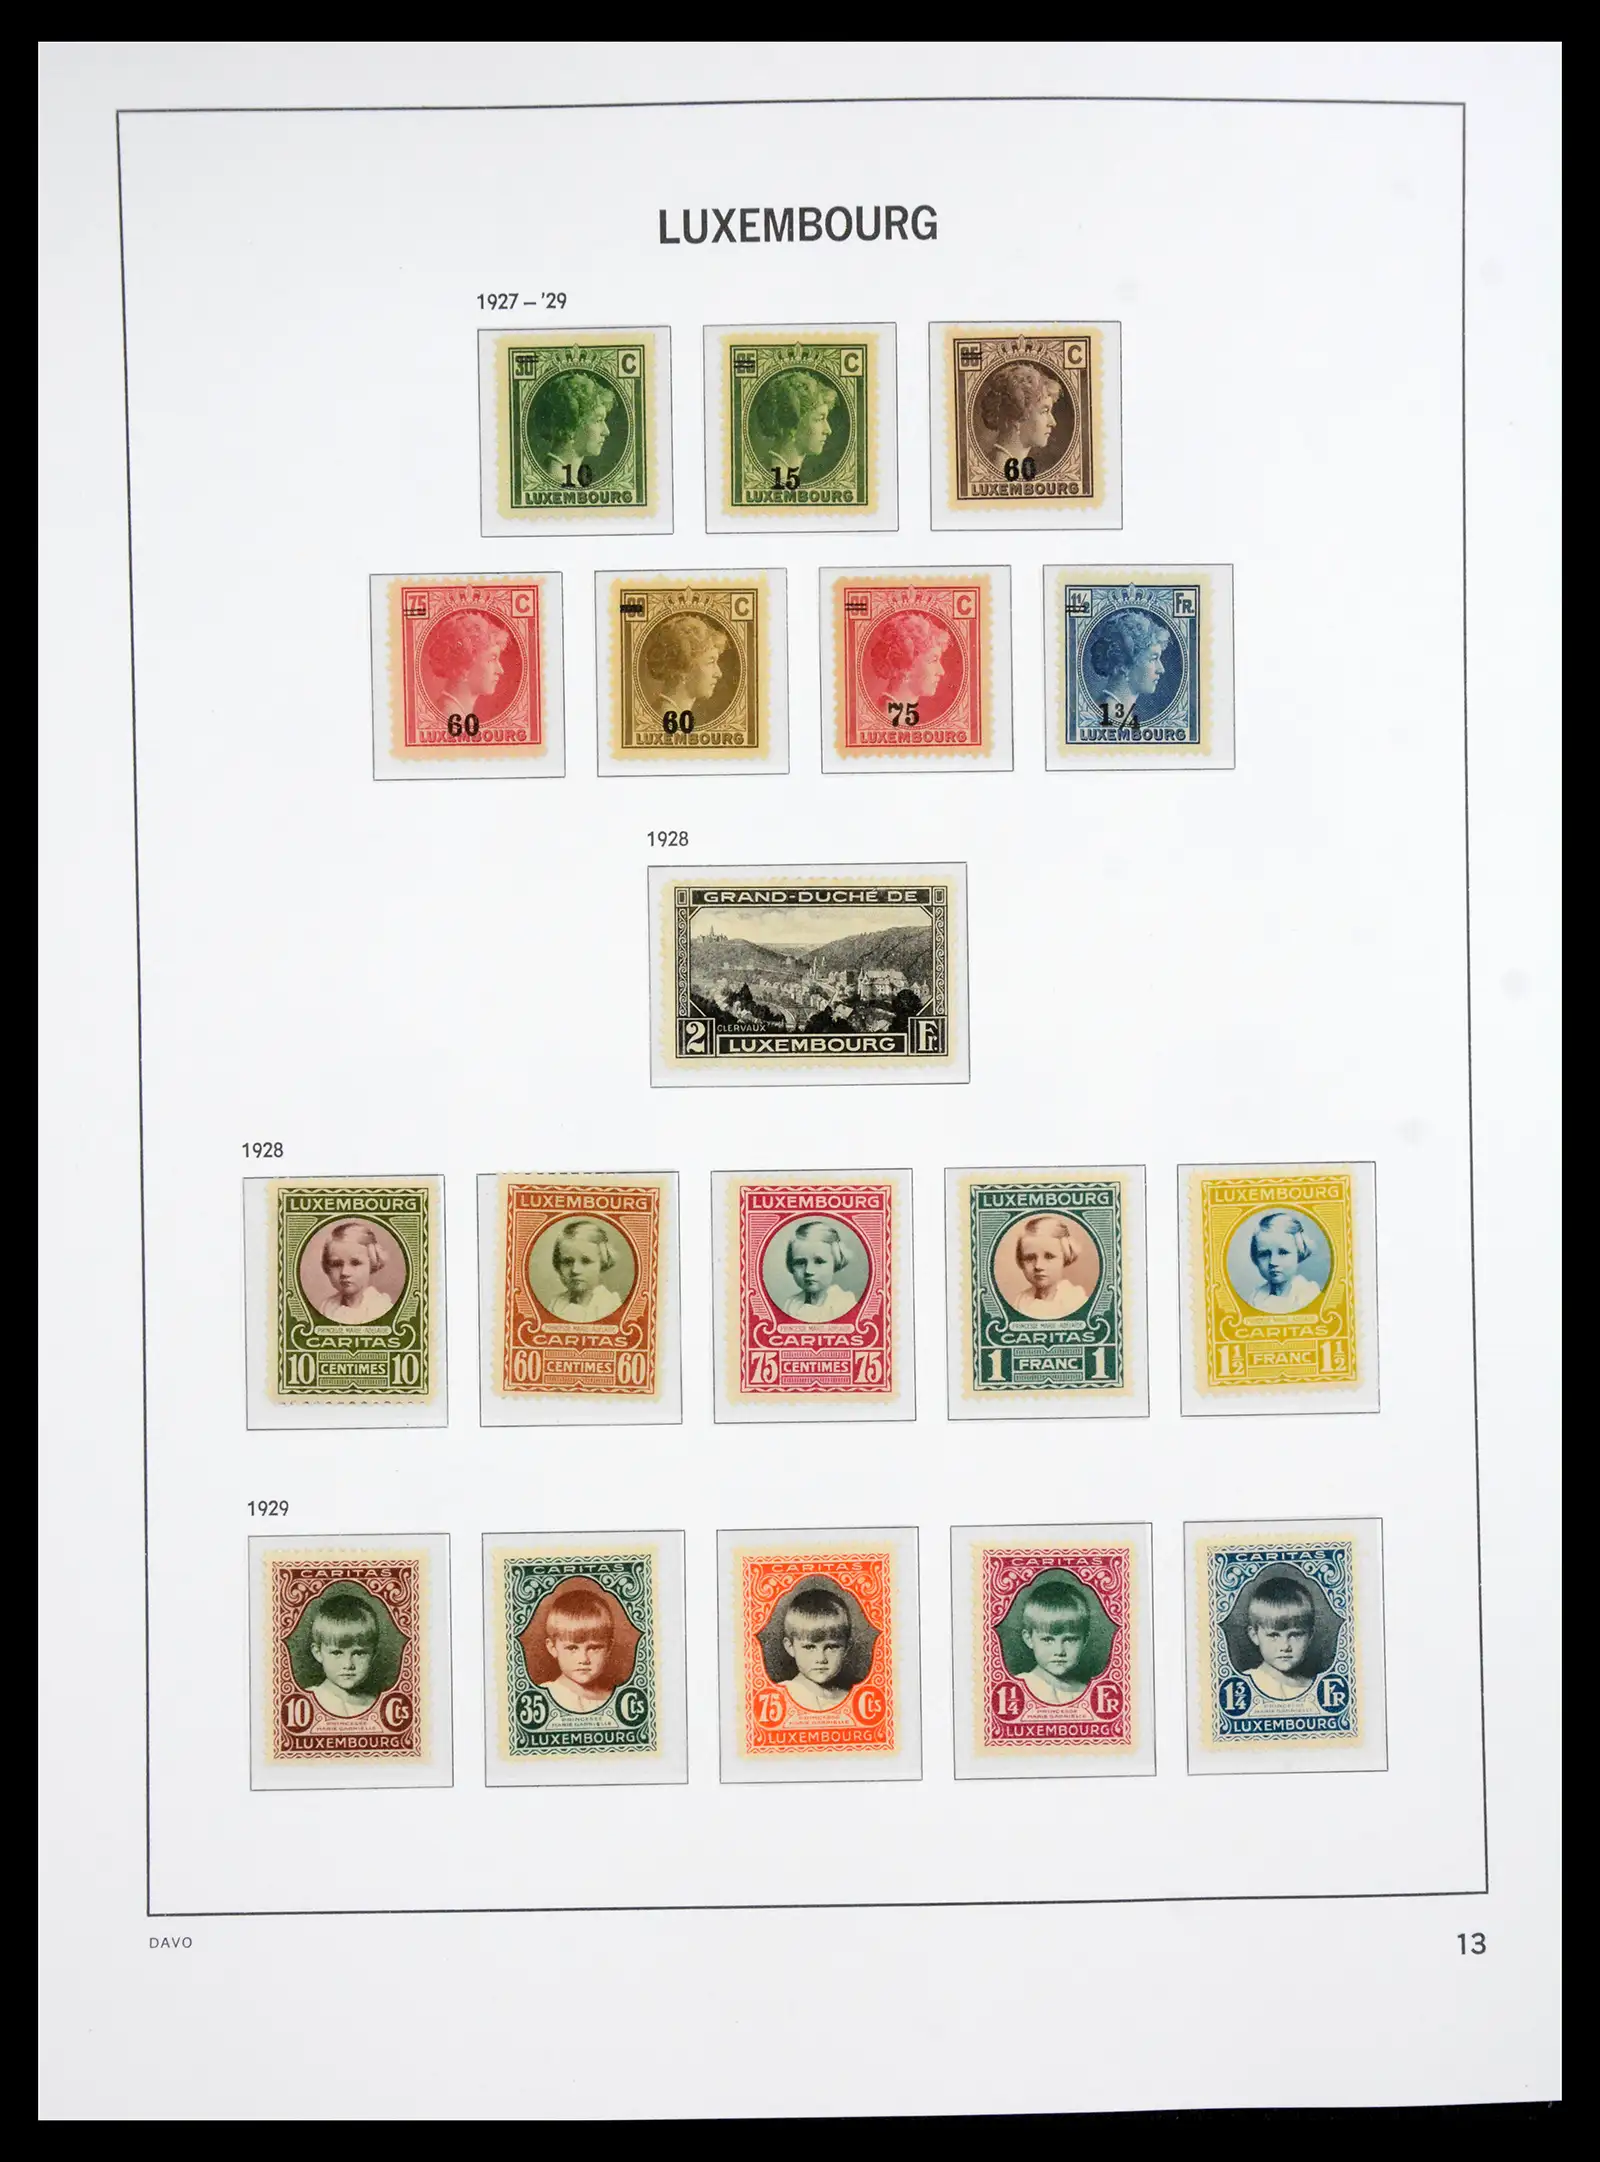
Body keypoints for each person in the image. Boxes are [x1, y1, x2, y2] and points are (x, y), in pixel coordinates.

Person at [540, 1583, 619, 1716]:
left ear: (609, 1647)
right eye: (572, 1648)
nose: (583, 1659)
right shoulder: (543, 1696)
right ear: (552, 1648)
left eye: (594, 1648)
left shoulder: (618, 1699)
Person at [527, 369, 616, 486]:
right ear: (571, 426)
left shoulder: (568, 478)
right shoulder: (558, 480)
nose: (606, 431)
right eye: (598, 420)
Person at [1014, 1577, 1095, 1705]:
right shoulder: (1016, 1688)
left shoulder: (1089, 1693)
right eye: (1048, 1640)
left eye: (1069, 1640)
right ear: (1029, 1639)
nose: (1059, 1651)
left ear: (1085, 1639)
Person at [1238, 1577, 1319, 1704]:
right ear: (1254, 1635)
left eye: (1295, 1635)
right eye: (1273, 1635)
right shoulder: (1243, 1686)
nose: (1285, 1647)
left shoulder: (1318, 1689)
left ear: (1310, 1636)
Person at [1085, 610, 1172, 725]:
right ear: (1124, 665)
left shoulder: (1114, 710)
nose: (1161, 669)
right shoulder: (1111, 716)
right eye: (1153, 659)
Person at [749, 368, 838, 478]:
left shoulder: (785, 473)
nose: (828, 430)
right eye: (819, 419)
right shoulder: (778, 477)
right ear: (793, 423)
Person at [421, 609, 510, 719]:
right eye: (492, 659)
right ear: (465, 666)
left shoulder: (458, 714)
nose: (500, 670)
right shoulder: (448, 715)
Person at [305, 1591, 381, 1717]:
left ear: (373, 1654)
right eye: (337, 1653)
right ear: (318, 1653)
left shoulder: (380, 1706)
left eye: (359, 1653)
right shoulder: (305, 1702)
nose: (348, 1665)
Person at [975, 360, 1063, 469]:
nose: (1053, 422)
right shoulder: (1001, 467)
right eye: (1044, 411)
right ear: (1018, 416)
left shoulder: (1014, 466)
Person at [778, 1586, 854, 1712]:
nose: (821, 1659)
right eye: (809, 1647)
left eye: (831, 1647)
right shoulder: (780, 1696)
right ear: (790, 1647)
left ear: (846, 1647)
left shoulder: (852, 1699)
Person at [641, 613, 728, 716]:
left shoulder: (676, 713)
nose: (719, 673)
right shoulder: (666, 716)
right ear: (683, 668)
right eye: (710, 662)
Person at [1009, 1214, 1090, 1320]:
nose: (1038, 1266)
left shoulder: (1074, 1300)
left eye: (1049, 1256)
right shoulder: (1021, 1301)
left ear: (1065, 1257)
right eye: (1030, 1258)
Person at [315, 1220, 395, 1325]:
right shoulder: (327, 1307)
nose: (344, 1272)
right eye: (336, 1264)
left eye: (355, 1263)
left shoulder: (380, 1307)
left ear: (372, 1263)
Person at [778, 1219, 859, 1322]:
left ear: (835, 1262)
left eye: (819, 1261)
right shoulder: (791, 1304)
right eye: (800, 1263)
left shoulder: (844, 1303)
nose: (808, 1271)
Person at [545, 1218, 623, 1323]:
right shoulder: (557, 1304)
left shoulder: (609, 1305)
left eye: (586, 1261)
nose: (575, 1270)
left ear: (602, 1262)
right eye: (567, 1262)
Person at [870, 610, 953, 708]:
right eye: (933, 660)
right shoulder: (888, 713)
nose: (941, 672)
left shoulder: (902, 712)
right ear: (905, 666)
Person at [1244, 1211, 1321, 1314]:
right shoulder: (1256, 1297)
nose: (1273, 1262)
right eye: (1264, 1254)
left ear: (1299, 1252)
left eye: (1283, 1252)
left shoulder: (1308, 1294)